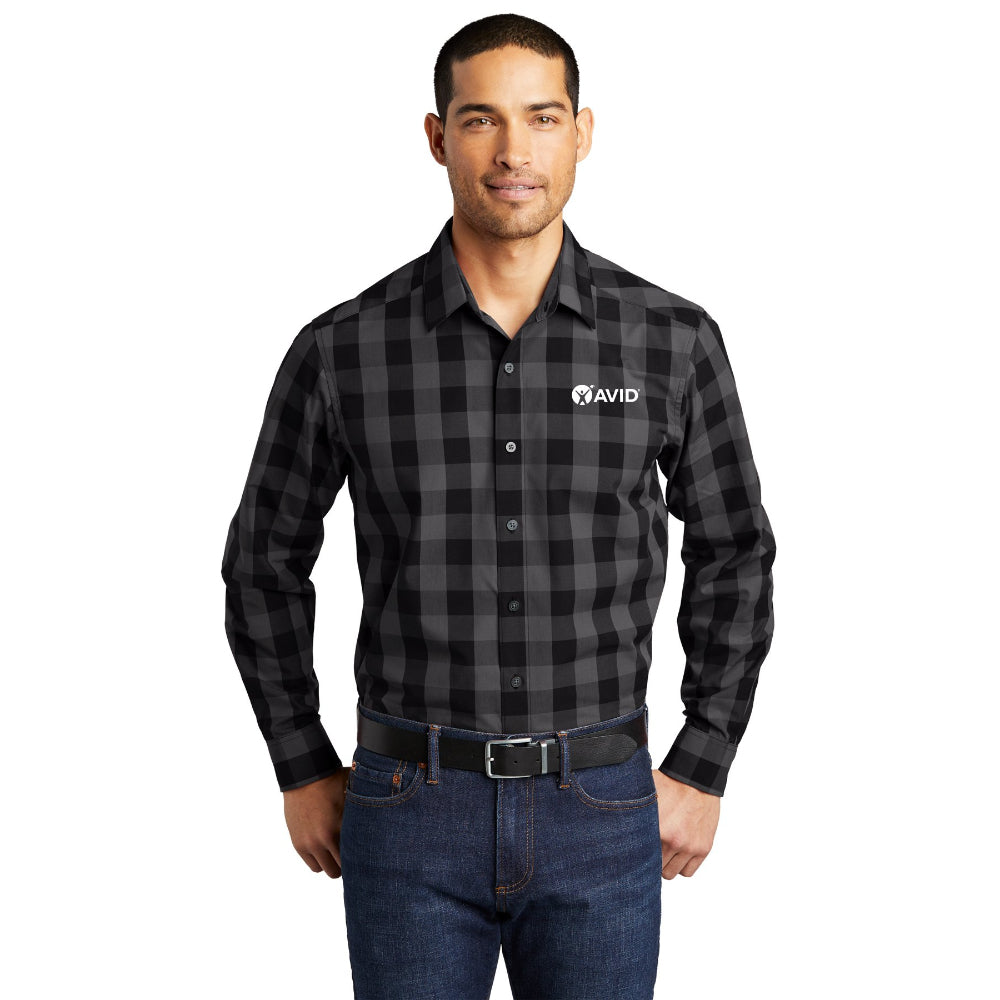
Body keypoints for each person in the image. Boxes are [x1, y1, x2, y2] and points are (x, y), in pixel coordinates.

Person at [220, 13, 776, 1000]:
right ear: (438, 137)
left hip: (601, 803)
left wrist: (703, 760)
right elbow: (263, 560)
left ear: (582, 133)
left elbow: (734, 547)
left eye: (542, 117)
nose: (514, 151)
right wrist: (301, 762)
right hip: (407, 806)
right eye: (481, 119)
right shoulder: (343, 348)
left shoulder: (670, 340)